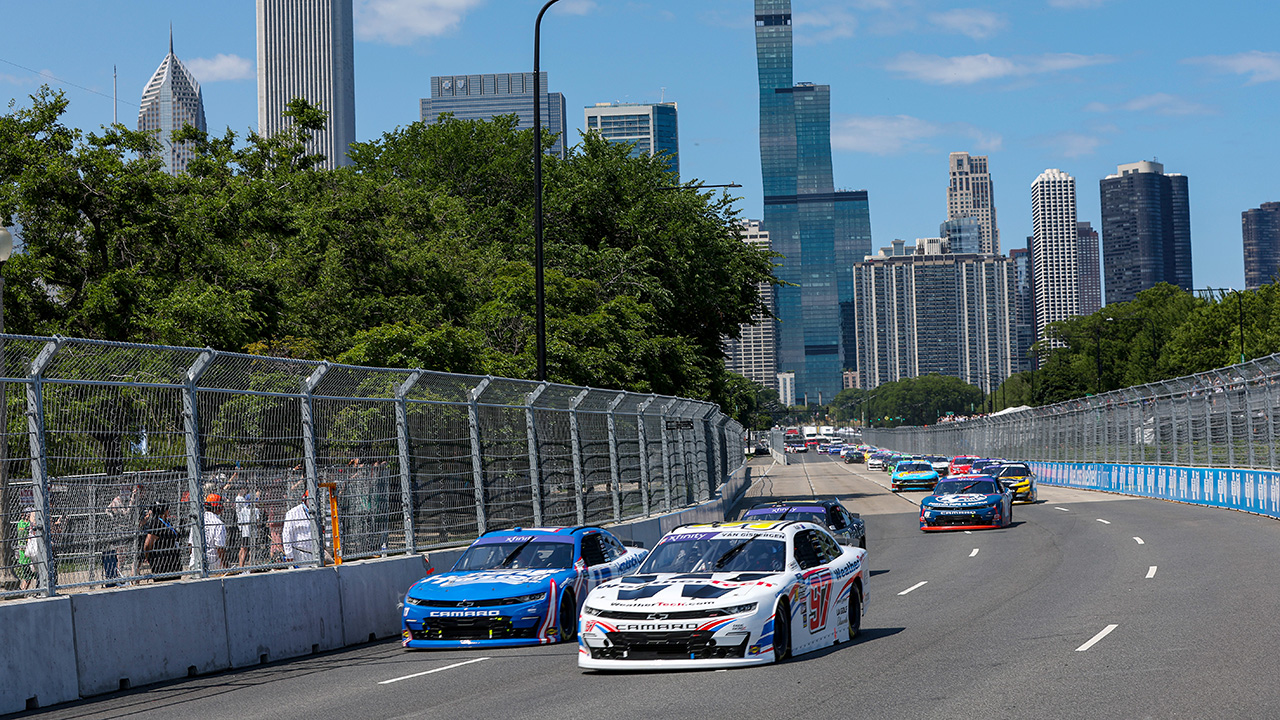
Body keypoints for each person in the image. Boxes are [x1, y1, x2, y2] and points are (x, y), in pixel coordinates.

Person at [188, 494, 228, 572]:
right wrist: (226, 566)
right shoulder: (218, 523)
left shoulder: (198, 520)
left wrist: (193, 557)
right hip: (212, 565)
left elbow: (190, 544)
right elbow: (220, 548)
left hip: (195, 563)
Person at [142, 503, 181, 579]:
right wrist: (148, 557)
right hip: (161, 563)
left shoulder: (166, 522)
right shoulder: (156, 523)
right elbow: (147, 544)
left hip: (173, 563)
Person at [281, 494, 321, 566]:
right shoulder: (293, 513)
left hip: (316, 553)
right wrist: (289, 554)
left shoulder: (318, 512)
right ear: (305, 499)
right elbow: (286, 534)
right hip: (300, 554)